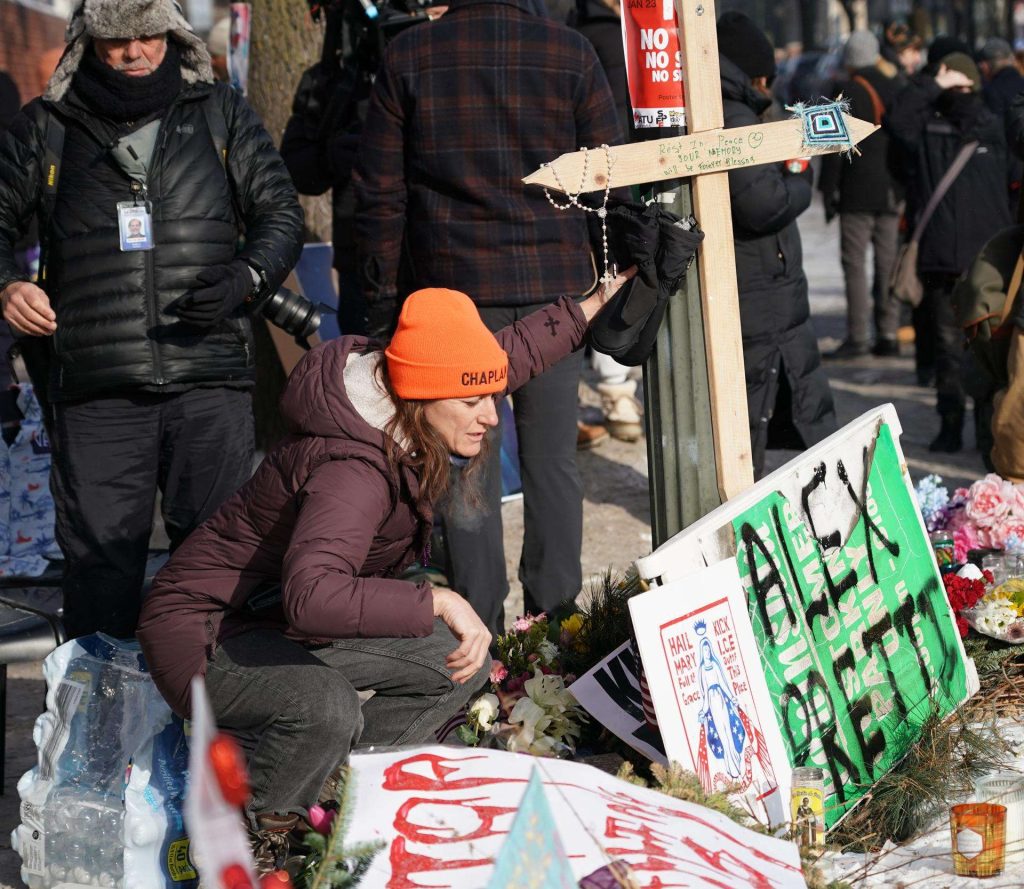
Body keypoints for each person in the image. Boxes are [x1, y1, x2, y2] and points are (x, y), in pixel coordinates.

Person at [136, 271, 634, 871]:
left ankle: (345, 805)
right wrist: (439, 600)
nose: (490, 416)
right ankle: (260, 846)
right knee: (324, 706)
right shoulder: (353, 471)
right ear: (424, 397)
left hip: (270, 615)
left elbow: (504, 359)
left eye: (491, 397)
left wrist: (590, 306)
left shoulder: (411, 391)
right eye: (472, 403)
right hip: (205, 632)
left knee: (455, 662)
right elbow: (313, 596)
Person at [0, 0, 304, 639]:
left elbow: (280, 213)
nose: (135, 52)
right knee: (100, 577)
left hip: (209, 381)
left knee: (218, 567)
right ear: (89, 40)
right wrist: (7, 286)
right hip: (97, 394)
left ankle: (212, 701)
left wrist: (246, 277)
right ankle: (105, 704)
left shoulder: (221, 110)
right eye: (117, 40)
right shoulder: (46, 125)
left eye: (149, 35)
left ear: (173, 32)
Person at [353, 0, 622, 634]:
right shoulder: (569, 51)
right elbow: (609, 178)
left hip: (454, 294)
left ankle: (480, 631)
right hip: (554, 290)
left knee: (465, 464)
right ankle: (556, 628)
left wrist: (383, 304)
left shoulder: (410, 54)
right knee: (552, 462)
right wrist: (610, 278)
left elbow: (381, 196)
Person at [715, 11, 837, 479]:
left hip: (763, 284)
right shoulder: (736, 116)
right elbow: (763, 204)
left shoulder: (734, 109)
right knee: (763, 415)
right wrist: (799, 175)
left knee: (773, 410)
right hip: (761, 288)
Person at [885, 51, 1013, 454]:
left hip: (942, 259)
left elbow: (895, 119)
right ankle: (986, 431)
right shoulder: (997, 127)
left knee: (947, 349)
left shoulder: (928, 127)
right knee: (987, 347)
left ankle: (951, 427)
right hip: (991, 262)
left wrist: (932, 85)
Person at [820, 30, 905, 359]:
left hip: (856, 190)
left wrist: (828, 190)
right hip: (891, 189)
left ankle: (858, 337)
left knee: (855, 265)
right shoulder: (896, 86)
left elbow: (832, 145)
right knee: (888, 264)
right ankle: (888, 334)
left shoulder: (846, 91)